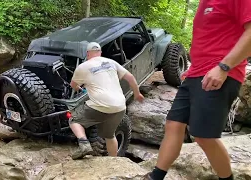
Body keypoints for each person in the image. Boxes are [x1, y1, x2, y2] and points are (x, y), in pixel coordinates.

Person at [143, 0, 251, 180]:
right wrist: (193, 69)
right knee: (174, 125)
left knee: (204, 136)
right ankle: (155, 176)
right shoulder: (204, 3)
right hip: (197, 73)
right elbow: (210, 39)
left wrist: (224, 67)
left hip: (221, 73)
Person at [69, 42, 144, 160]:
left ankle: (84, 144)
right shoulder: (112, 63)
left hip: (99, 105)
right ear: (100, 53)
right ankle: (113, 162)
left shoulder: (83, 67)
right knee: (109, 135)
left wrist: (79, 88)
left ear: (87, 54)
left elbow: (73, 84)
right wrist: (137, 93)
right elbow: (130, 78)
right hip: (119, 106)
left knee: (74, 120)